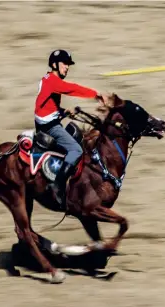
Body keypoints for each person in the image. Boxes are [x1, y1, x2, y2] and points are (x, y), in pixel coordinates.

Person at [34, 49, 105, 208]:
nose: (67, 67)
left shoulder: (46, 79)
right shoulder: (54, 81)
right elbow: (72, 88)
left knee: (76, 131)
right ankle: (57, 184)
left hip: (46, 122)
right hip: (50, 127)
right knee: (77, 150)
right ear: (54, 65)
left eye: (68, 64)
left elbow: (45, 105)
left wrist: (63, 112)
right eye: (64, 64)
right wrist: (95, 94)